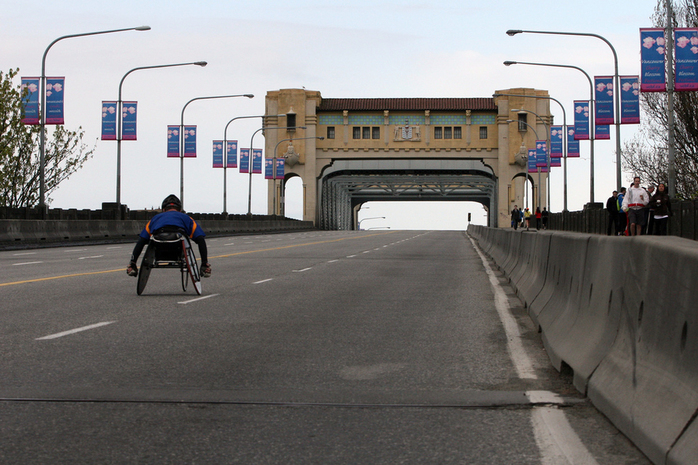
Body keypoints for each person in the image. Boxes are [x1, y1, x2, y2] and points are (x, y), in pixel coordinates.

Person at [126, 194, 212, 278]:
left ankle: (132, 265)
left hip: (159, 245)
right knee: (197, 239)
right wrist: (204, 262)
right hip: (177, 244)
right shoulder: (187, 218)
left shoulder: (155, 218)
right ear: (180, 210)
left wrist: (133, 262)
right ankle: (205, 266)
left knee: (144, 240)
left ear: (163, 210)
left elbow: (142, 239)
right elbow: (200, 238)